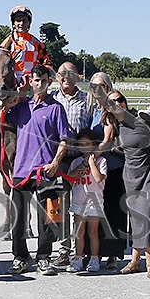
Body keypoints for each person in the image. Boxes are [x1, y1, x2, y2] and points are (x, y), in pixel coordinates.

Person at [3, 63, 70, 276]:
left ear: (49, 82)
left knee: (47, 218)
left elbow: (64, 140)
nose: (39, 84)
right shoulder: (22, 107)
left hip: (45, 171)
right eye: (36, 81)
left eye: (43, 81)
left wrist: (55, 163)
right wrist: (11, 101)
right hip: (22, 171)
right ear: (30, 82)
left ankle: (43, 257)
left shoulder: (56, 108)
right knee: (19, 217)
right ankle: (20, 257)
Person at [102, 91, 150, 278]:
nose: (117, 104)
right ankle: (134, 261)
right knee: (136, 218)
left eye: (120, 100)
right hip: (131, 176)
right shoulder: (116, 125)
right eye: (112, 102)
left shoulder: (142, 118)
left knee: (149, 216)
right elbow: (115, 146)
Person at [0, 5, 52, 117]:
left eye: (24, 20)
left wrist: (39, 76)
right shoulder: (7, 42)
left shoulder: (37, 43)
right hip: (10, 78)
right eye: (18, 20)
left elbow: (46, 63)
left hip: (30, 81)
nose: (21, 23)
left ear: (29, 22)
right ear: (13, 23)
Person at [50, 62, 93, 268]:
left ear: (78, 77)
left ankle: (81, 250)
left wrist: (87, 159)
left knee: (82, 207)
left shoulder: (87, 100)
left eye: (71, 73)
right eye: (62, 74)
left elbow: (93, 130)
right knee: (60, 206)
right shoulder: (51, 99)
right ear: (57, 77)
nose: (66, 77)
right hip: (59, 161)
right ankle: (64, 248)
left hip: (80, 160)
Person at [86, 72, 127, 270]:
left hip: (113, 167)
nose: (98, 90)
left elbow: (107, 140)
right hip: (97, 169)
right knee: (95, 212)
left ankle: (112, 254)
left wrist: (90, 158)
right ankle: (95, 252)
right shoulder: (93, 111)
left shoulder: (110, 110)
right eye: (94, 86)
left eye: (101, 85)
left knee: (114, 211)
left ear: (108, 87)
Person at [66, 128, 107, 274]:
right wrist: (76, 171)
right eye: (81, 145)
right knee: (79, 231)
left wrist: (91, 163)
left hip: (94, 201)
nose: (85, 148)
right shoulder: (76, 162)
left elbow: (99, 178)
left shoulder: (101, 161)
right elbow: (70, 180)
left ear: (93, 144)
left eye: (87, 144)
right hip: (79, 200)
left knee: (93, 231)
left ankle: (94, 258)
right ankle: (78, 258)